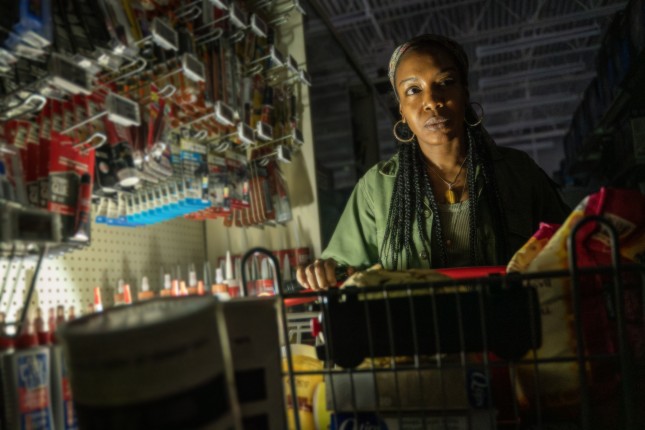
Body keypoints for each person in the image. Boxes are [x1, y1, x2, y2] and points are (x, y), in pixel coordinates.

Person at [297, 34, 570, 290]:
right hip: (416, 326)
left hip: (509, 324)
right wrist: (325, 271)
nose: (432, 101)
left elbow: (569, 249)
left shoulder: (517, 172)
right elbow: (343, 267)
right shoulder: (377, 188)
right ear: (402, 109)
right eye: (414, 90)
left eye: (446, 82)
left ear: (465, 93)